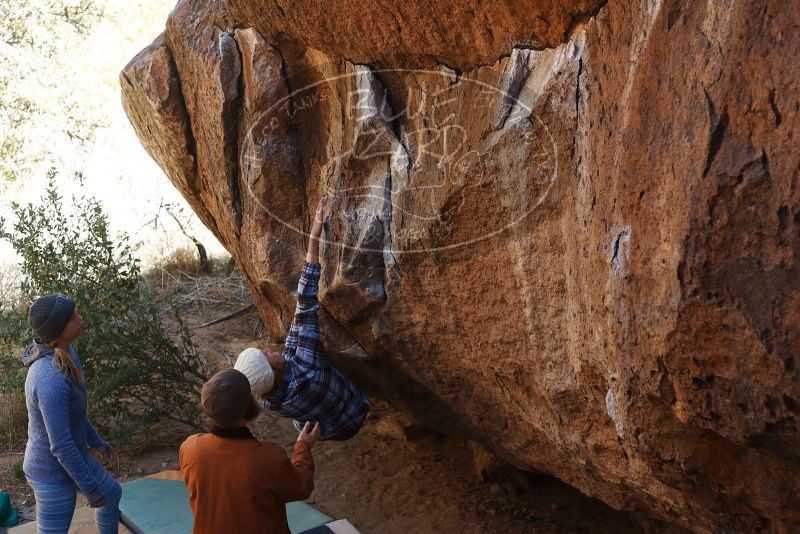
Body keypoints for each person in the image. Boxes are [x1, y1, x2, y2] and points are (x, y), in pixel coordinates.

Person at [235, 197, 370, 441]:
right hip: (355, 413)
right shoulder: (305, 366)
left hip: (331, 432)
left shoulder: (270, 402)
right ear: (275, 370)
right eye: (265, 355)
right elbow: (306, 303)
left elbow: (294, 338)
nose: (267, 349)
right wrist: (314, 237)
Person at [20, 293, 122, 534]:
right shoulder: (49, 378)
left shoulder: (66, 354)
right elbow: (61, 445)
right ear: (59, 330)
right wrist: (89, 488)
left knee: (112, 494)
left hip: (74, 456)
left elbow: (74, 415)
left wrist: (97, 441)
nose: (80, 318)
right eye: (72, 317)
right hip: (51, 473)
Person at [180, 369, 321, 534]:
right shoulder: (267, 459)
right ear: (247, 407)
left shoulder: (190, 448)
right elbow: (301, 486)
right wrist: (303, 445)